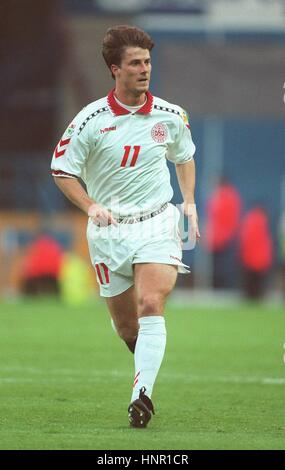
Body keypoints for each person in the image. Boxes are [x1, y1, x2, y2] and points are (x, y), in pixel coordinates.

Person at [51, 25, 199, 428]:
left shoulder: (171, 115)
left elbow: (184, 156)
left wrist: (187, 203)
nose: (144, 69)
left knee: (151, 302)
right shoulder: (90, 120)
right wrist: (90, 205)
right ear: (115, 69)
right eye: (135, 63)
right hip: (109, 231)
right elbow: (61, 170)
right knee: (125, 325)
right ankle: (144, 369)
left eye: (147, 61)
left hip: (156, 222)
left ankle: (141, 397)